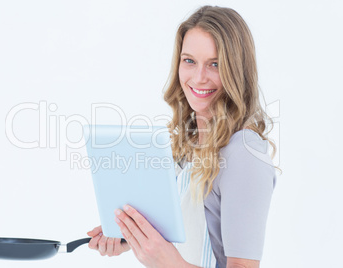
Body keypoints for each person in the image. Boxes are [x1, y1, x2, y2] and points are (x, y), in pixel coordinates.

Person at [87, 5, 278, 268]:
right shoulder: (188, 146)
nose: (199, 78)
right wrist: (131, 235)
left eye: (215, 64)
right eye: (189, 61)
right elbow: (182, 234)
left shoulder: (243, 152)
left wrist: (169, 263)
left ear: (236, 70)